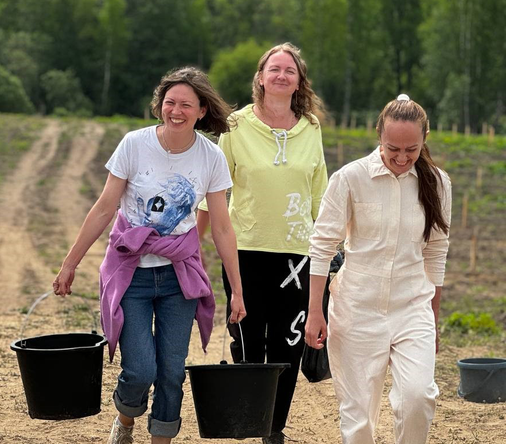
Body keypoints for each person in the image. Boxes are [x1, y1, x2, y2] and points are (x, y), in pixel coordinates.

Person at [53, 67, 246, 444]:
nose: (176, 111)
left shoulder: (211, 157)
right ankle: (125, 420)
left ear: (202, 110)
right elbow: (105, 208)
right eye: (170, 102)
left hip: (179, 275)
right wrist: (69, 263)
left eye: (186, 105)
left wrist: (236, 290)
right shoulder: (134, 144)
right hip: (131, 271)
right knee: (141, 369)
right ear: (159, 105)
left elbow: (221, 227)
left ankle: (161, 438)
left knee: (172, 371)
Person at [197, 42, 328, 444]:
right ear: (260, 77)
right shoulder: (235, 127)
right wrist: (192, 248)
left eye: (290, 70)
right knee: (249, 340)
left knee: (288, 344)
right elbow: (215, 192)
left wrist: (332, 247)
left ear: (299, 81)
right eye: (274, 69)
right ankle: (251, 418)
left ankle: (274, 429)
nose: (281, 75)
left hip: (296, 255)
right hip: (245, 251)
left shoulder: (311, 128)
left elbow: (319, 193)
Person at [305, 95, 452, 444]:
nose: (402, 158)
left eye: (411, 150)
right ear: (378, 137)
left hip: (412, 305)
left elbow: (437, 252)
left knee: (419, 397)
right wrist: (314, 312)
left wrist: (432, 318)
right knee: (358, 418)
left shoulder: (438, 183)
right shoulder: (350, 178)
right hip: (356, 309)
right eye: (392, 149)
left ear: (425, 140)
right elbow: (322, 245)